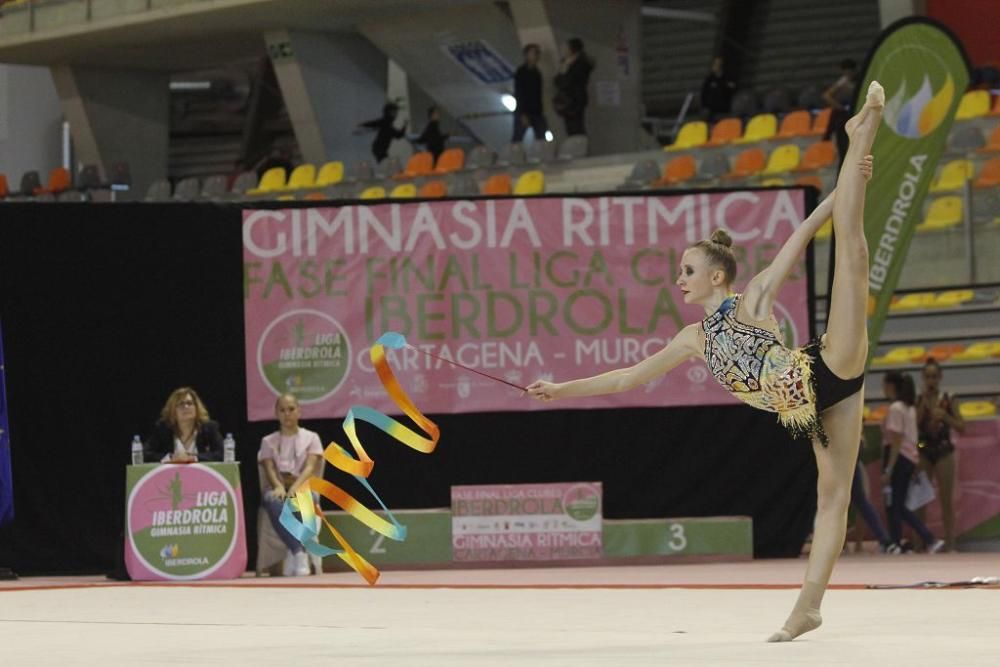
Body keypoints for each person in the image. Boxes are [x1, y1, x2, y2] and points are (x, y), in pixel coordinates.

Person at [528, 81, 888, 642]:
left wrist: (846, 184)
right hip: (808, 410)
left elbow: (802, 232)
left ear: (716, 276)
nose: (679, 280)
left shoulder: (755, 300)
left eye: (687, 272)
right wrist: (559, 388)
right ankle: (809, 607)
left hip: (825, 369)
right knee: (833, 497)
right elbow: (626, 377)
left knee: (854, 256)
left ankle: (861, 134)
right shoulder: (692, 339)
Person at [258, 393, 323, 577]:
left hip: (302, 487)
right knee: (272, 499)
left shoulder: (312, 438)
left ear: (299, 411)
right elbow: (269, 468)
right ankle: (299, 552)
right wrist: (278, 486)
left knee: (304, 498)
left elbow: (311, 466)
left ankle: (297, 551)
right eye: (282, 410)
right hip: (278, 488)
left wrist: (295, 488)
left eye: (291, 409)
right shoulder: (268, 441)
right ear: (276, 413)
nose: (287, 414)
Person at [881, 371, 945, 554]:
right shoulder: (909, 408)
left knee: (897, 504)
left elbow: (897, 440)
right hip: (909, 457)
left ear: (891, 387)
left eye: (885, 385)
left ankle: (927, 538)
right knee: (895, 504)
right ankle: (896, 542)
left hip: (898, 456)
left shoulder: (896, 409)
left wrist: (889, 468)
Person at [916, 358, 964, 551]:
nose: (931, 380)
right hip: (924, 450)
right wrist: (924, 402)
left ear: (940, 377)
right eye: (928, 377)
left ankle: (951, 544)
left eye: (934, 376)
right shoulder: (919, 399)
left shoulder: (949, 398)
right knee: (921, 500)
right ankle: (919, 544)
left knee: (946, 500)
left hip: (944, 450)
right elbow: (914, 425)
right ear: (923, 378)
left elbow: (962, 427)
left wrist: (946, 417)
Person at [145, 387, 223, 463]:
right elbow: (145, 454)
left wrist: (193, 458)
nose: (186, 407)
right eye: (181, 404)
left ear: (196, 407)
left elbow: (222, 454)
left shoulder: (209, 428)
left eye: (189, 403)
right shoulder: (163, 429)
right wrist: (171, 457)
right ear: (173, 410)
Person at [553, 38, 593, 137]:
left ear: (571, 49)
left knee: (576, 127)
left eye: (565, 48)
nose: (562, 50)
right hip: (568, 101)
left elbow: (566, 82)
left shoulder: (580, 65)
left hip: (574, 101)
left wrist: (564, 70)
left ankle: (578, 148)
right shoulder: (567, 63)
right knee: (571, 127)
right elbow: (558, 81)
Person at [823, 59, 858, 161]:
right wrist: (840, 107)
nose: (848, 75)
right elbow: (826, 96)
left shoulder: (861, 80)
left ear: (854, 71)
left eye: (850, 73)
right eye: (846, 73)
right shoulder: (842, 82)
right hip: (845, 115)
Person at [512, 44, 549, 142]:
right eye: (533, 53)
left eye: (537, 53)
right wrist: (522, 113)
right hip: (524, 111)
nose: (536, 56)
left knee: (541, 138)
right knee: (517, 139)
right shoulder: (521, 72)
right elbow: (519, 93)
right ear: (526, 55)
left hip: (537, 111)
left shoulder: (537, 73)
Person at [701, 56, 736, 121]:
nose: (717, 66)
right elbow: (703, 94)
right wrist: (705, 107)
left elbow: (732, 91)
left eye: (719, 64)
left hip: (724, 111)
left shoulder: (728, 78)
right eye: (715, 64)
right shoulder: (709, 80)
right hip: (711, 111)